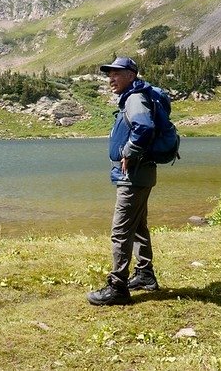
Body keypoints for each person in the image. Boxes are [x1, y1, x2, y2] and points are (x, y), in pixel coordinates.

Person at [87, 56, 161, 306]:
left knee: (120, 231)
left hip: (133, 176)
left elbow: (144, 127)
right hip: (141, 174)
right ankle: (145, 274)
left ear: (131, 75)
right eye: (109, 74)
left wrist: (128, 151)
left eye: (116, 74)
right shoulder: (133, 97)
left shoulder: (134, 99)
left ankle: (118, 287)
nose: (111, 79)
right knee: (138, 226)